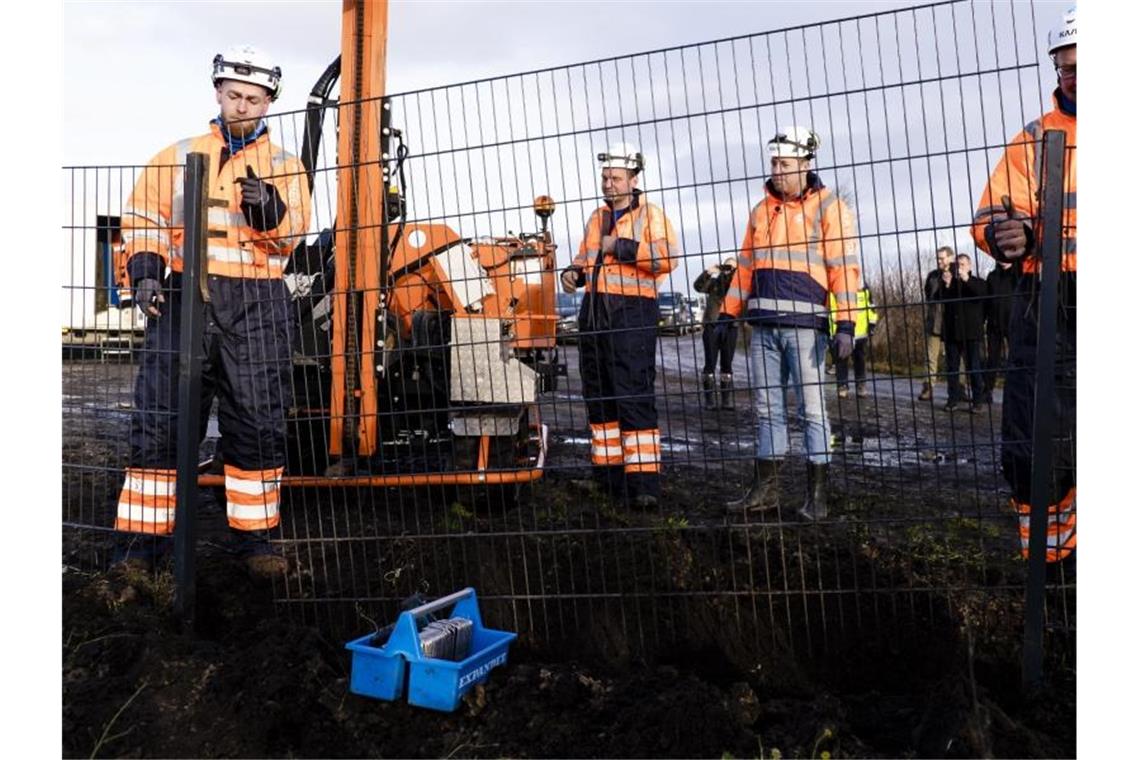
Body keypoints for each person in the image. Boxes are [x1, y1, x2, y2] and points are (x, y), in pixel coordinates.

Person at [115, 45, 312, 577]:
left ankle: (257, 544)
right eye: (234, 96)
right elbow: (141, 220)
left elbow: (292, 237)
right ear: (218, 94)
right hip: (183, 300)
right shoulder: (176, 156)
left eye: (253, 98)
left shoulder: (286, 167)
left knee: (256, 421)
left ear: (269, 102)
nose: (243, 106)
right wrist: (147, 271)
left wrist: (270, 212)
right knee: (162, 419)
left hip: (256, 304)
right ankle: (140, 548)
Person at [971, 7, 1076, 565]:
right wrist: (1004, 234)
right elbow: (992, 211)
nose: (1077, 75)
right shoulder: (1034, 138)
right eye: (1067, 65)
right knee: (1037, 440)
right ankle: (1053, 568)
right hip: (1049, 301)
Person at [722, 126, 861, 521]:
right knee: (768, 410)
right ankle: (764, 491)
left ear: (805, 163)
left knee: (813, 411)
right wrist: (727, 314)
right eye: (773, 163)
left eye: (784, 163)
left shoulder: (830, 207)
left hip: (806, 327)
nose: (776, 170)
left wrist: (846, 324)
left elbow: (844, 269)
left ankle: (817, 496)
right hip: (763, 325)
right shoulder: (761, 210)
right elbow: (745, 266)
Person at [561, 143, 680, 509]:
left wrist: (622, 246)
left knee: (633, 395)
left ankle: (644, 485)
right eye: (605, 177)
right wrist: (573, 273)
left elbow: (668, 258)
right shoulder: (597, 218)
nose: (608, 184)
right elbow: (587, 256)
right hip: (595, 312)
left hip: (632, 313)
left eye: (615, 178)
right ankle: (608, 478)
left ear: (633, 179)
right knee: (599, 397)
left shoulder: (651, 215)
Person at [935, 254, 987, 412]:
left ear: (970, 266)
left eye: (963, 264)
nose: (960, 268)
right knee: (952, 368)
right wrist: (946, 285)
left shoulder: (977, 282)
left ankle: (978, 401)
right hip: (952, 332)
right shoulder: (950, 283)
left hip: (971, 333)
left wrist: (966, 279)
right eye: (957, 265)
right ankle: (952, 400)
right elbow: (937, 298)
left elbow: (981, 294)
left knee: (974, 367)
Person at [694, 256, 739, 410]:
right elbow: (698, 287)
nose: (729, 270)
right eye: (726, 267)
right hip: (712, 326)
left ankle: (726, 401)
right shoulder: (714, 283)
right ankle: (709, 401)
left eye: (732, 268)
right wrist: (709, 272)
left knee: (727, 364)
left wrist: (736, 274)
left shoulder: (737, 284)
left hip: (730, 326)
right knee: (710, 363)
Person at [830, 286, 878, 399]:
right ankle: (842, 386)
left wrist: (872, 324)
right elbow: (831, 310)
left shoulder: (865, 290)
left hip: (860, 331)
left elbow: (871, 308)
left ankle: (861, 385)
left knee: (860, 360)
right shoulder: (835, 289)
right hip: (841, 331)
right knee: (841, 359)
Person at [918, 246, 953, 401]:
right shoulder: (932, 276)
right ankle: (928, 388)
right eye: (938, 258)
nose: (939, 261)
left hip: (952, 321)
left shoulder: (958, 273)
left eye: (942, 258)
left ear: (950, 258)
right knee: (931, 357)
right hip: (934, 321)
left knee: (956, 358)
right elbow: (928, 295)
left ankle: (960, 389)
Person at [983, 260, 1017, 402]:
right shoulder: (992, 276)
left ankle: (1015, 391)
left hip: (1013, 322)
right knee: (992, 359)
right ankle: (988, 390)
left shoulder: (1017, 274)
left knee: (1016, 357)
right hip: (994, 323)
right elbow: (986, 300)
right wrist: (983, 318)